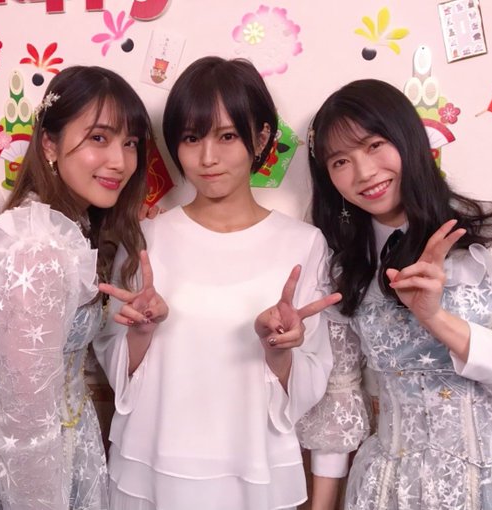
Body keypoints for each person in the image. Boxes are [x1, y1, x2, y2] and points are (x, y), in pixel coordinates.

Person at [303, 78, 492, 509]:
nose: (364, 173)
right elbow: (341, 395)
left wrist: (436, 318)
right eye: (340, 161)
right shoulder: (342, 271)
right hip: (389, 492)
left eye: (374, 145)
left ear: (409, 138)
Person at [0, 65, 152, 510]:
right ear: (50, 144)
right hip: (15, 463)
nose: (120, 160)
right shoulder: (39, 248)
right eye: (99, 137)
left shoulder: (67, 230)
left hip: (61, 443)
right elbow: (26, 423)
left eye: (130, 143)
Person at [94, 56, 340, 510]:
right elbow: (115, 368)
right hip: (154, 467)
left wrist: (278, 350)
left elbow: (311, 383)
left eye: (227, 136)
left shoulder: (303, 244)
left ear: (261, 138)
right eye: (191, 138)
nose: (207, 158)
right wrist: (140, 333)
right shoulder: (144, 239)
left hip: (254, 469)